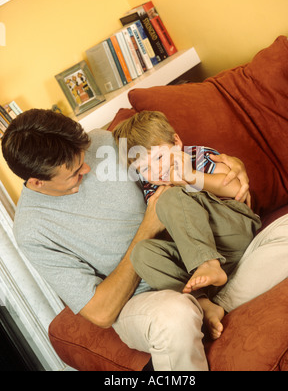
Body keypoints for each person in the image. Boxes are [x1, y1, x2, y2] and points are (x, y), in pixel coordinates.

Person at [1, 109, 251, 371]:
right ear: (38, 183)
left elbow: (170, 157)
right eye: (75, 172)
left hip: (195, 255)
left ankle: (210, 302)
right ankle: (204, 305)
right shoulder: (32, 231)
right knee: (176, 315)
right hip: (143, 298)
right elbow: (101, 313)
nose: (88, 167)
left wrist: (227, 167)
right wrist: (146, 230)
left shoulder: (102, 142)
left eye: (84, 157)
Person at [112, 111, 261, 338]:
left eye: (160, 158)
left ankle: (208, 264)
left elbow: (234, 190)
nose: (157, 171)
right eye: (145, 169)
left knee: (170, 197)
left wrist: (190, 177)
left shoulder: (195, 157)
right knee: (141, 254)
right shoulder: (150, 187)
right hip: (209, 254)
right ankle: (202, 302)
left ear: (176, 142)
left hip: (233, 230)